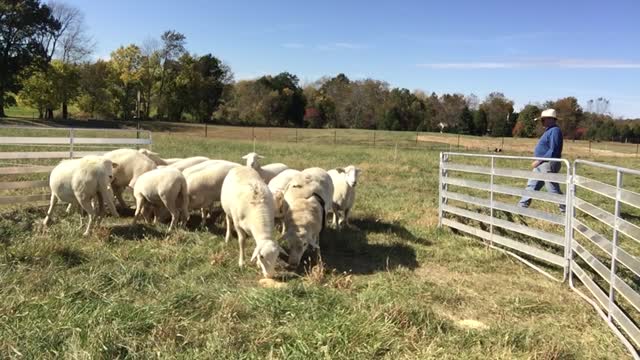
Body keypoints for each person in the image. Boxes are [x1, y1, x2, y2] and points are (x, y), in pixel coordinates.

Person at [517, 108, 565, 213]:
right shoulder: (549, 131)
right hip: (542, 164)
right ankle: (520, 208)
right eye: (541, 120)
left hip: (547, 164)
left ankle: (566, 208)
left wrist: (539, 161)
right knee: (531, 185)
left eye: (543, 119)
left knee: (552, 188)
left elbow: (553, 150)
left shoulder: (555, 131)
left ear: (551, 119)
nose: (542, 122)